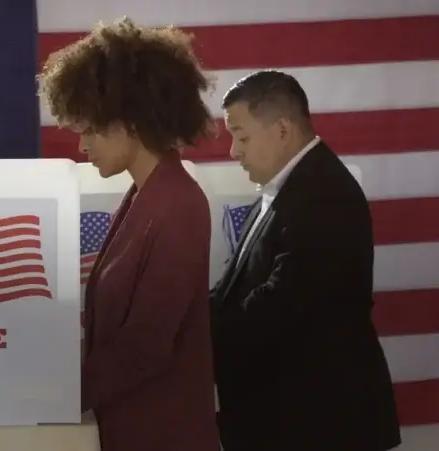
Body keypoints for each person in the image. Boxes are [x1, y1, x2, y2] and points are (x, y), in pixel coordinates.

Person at [37, 17, 219, 451]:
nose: (82, 145)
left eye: (90, 129)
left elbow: (146, 345)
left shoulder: (179, 205)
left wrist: (57, 398)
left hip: (165, 436)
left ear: (131, 121)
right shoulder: (145, 195)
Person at [210, 70, 402, 451]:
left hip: (321, 426)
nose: (234, 151)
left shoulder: (323, 196)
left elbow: (278, 307)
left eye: (242, 136)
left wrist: (187, 339)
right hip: (292, 423)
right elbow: (236, 288)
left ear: (282, 130)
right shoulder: (287, 188)